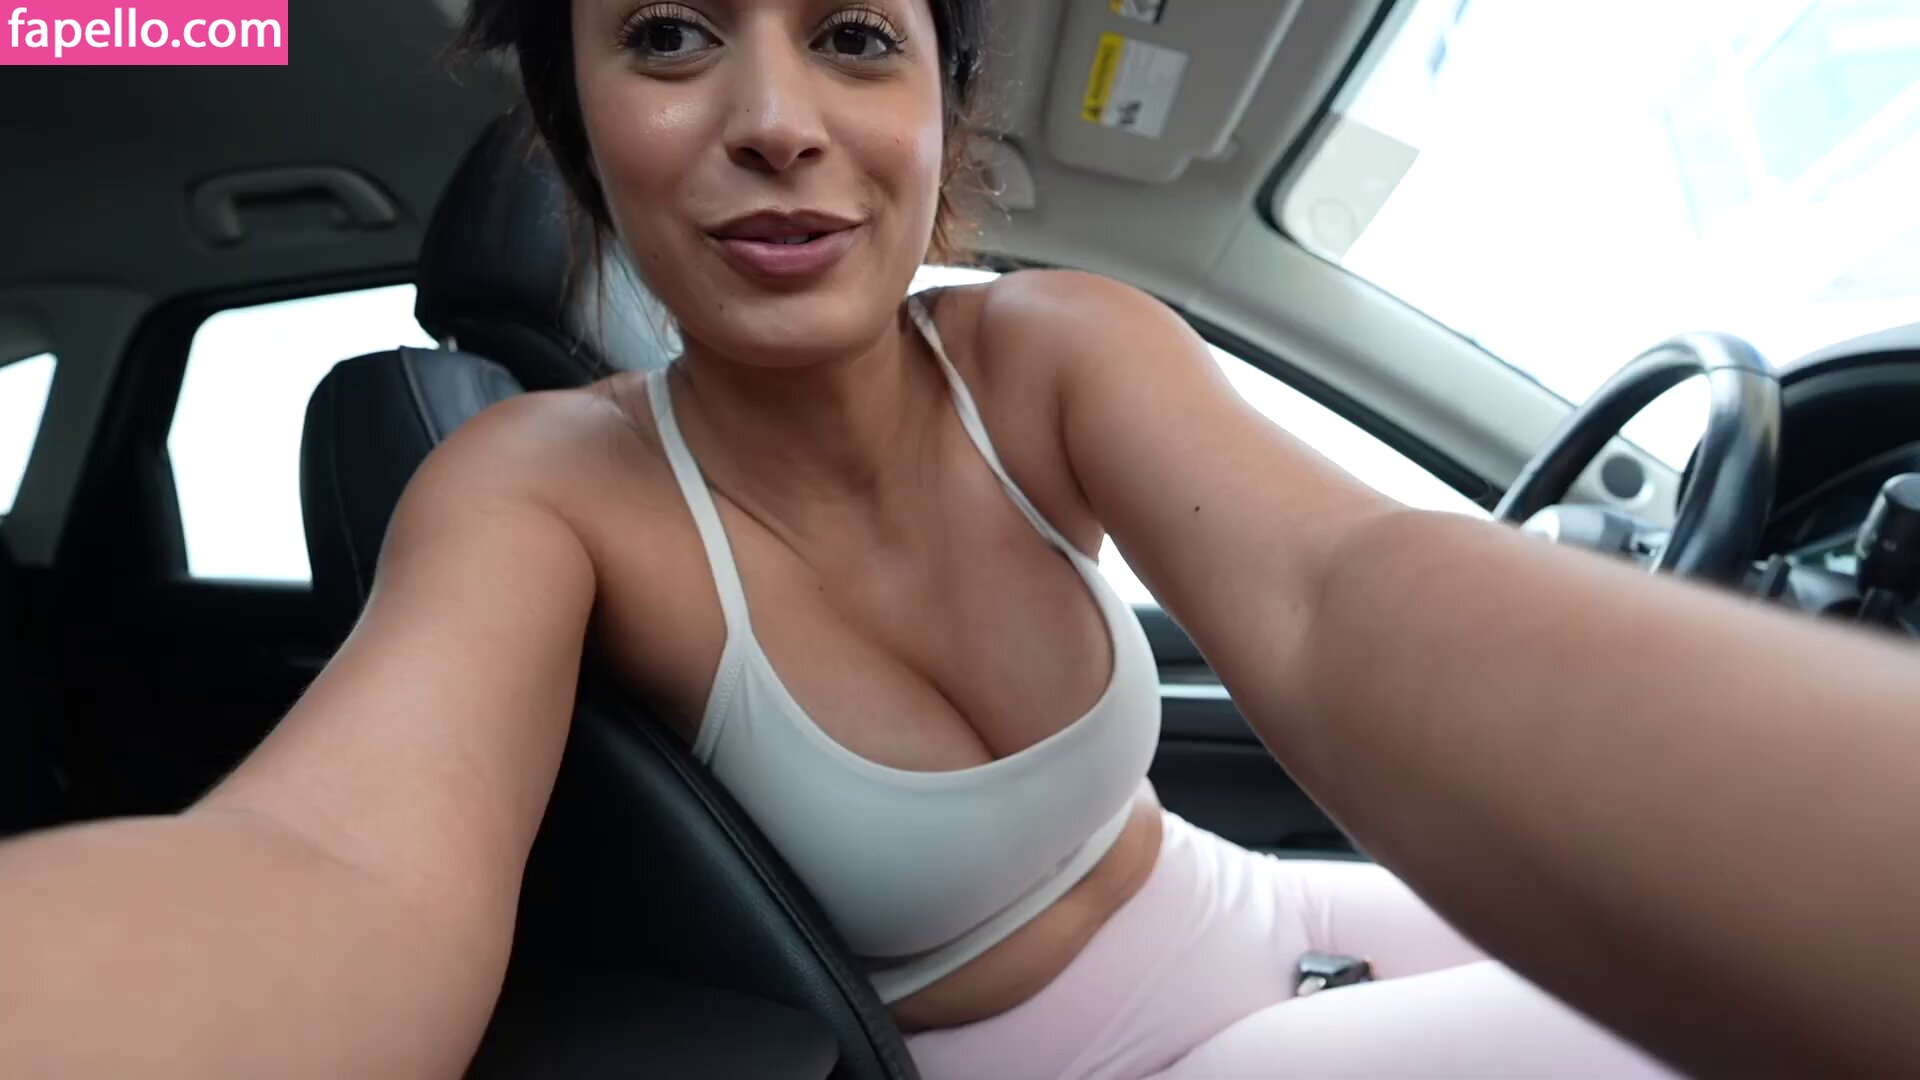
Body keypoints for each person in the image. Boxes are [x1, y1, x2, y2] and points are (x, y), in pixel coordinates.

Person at [2, 1, 1918, 1076]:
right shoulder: (536, 489)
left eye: (852, 33)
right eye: (667, 34)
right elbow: (337, 872)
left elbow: (1346, 597)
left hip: (1261, 914)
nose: (776, 117)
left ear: (936, 105)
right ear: (580, 130)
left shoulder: (1054, 351)